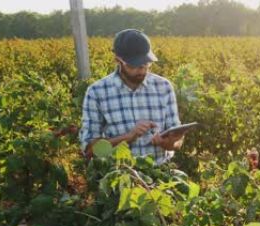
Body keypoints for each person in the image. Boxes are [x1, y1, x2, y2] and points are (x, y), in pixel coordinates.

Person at [79, 29, 185, 164]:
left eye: (146, 64)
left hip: (160, 178)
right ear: (118, 60)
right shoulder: (97, 92)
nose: (142, 70)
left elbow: (177, 142)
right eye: (134, 65)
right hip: (119, 177)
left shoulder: (163, 87)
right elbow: (89, 150)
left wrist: (168, 143)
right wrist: (129, 136)